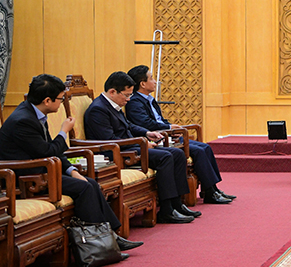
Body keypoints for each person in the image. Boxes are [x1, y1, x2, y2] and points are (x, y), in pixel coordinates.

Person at [0, 74, 140, 255]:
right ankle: (98, 245)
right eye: (60, 99)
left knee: (90, 183)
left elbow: (52, 151)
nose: (61, 103)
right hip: (26, 178)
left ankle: (112, 236)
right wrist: (63, 132)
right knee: (84, 188)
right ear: (47, 100)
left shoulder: (34, 113)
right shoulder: (23, 120)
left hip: (43, 169)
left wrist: (72, 170)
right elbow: (48, 151)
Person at [84, 71, 198, 224]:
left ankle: (177, 203)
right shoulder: (98, 109)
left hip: (129, 147)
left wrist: (146, 133)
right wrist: (141, 144)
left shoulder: (113, 104)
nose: (129, 99)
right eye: (126, 95)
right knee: (166, 157)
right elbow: (110, 141)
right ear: (112, 92)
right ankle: (166, 209)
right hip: (115, 153)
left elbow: (128, 126)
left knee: (177, 153)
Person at [124, 65, 233, 204]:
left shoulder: (148, 99)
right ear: (143, 83)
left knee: (205, 147)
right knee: (198, 151)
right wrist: (168, 127)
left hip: (166, 135)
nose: (155, 81)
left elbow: (159, 119)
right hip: (156, 138)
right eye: (151, 78)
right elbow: (145, 124)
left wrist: (169, 128)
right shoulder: (134, 102)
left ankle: (212, 189)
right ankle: (210, 192)